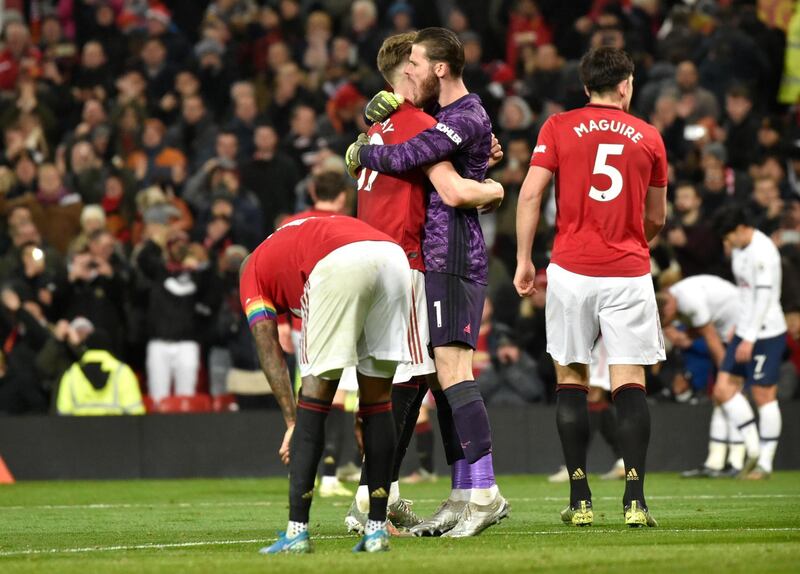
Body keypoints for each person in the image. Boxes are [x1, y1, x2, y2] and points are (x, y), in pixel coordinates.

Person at [345, 27, 509, 538]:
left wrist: (356, 147)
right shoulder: (418, 123)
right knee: (421, 380)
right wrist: (492, 183)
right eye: (411, 63)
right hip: (409, 261)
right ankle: (391, 497)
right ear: (407, 73)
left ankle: (463, 493)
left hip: (392, 258)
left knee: (427, 379)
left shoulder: (391, 126)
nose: (415, 70)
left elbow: (454, 183)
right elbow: (455, 187)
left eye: (421, 61)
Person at [514, 47, 668, 528]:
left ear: (586, 87)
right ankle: (635, 502)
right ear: (625, 85)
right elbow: (657, 217)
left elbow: (532, 193)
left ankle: (580, 498)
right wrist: (635, 242)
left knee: (572, 381)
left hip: (571, 270)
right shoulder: (649, 136)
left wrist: (524, 259)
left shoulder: (558, 127)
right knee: (629, 384)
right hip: (627, 271)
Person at [240, 215, 412, 554]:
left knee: (314, 400)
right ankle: (376, 530)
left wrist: (292, 421)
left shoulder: (251, 272)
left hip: (339, 262)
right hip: (394, 259)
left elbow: (268, 347)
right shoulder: (292, 237)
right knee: (378, 402)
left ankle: (296, 532)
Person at [711, 206, 787, 480]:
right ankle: (753, 446)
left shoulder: (762, 252)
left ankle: (765, 463)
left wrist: (750, 337)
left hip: (766, 333)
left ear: (742, 228)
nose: (728, 242)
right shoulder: (740, 249)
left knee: (763, 395)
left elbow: (764, 299)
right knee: (722, 389)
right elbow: (745, 295)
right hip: (745, 330)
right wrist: (738, 326)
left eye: (730, 236)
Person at [656, 274, 744, 477]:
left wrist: (726, 372)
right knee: (721, 399)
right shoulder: (677, 298)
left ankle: (739, 461)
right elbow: (701, 331)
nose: (667, 324)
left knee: (731, 394)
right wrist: (687, 337)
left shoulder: (689, 301)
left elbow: (711, 337)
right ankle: (716, 463)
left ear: (669, 308)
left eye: (666, 320)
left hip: (739, 330)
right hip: (728, 332)